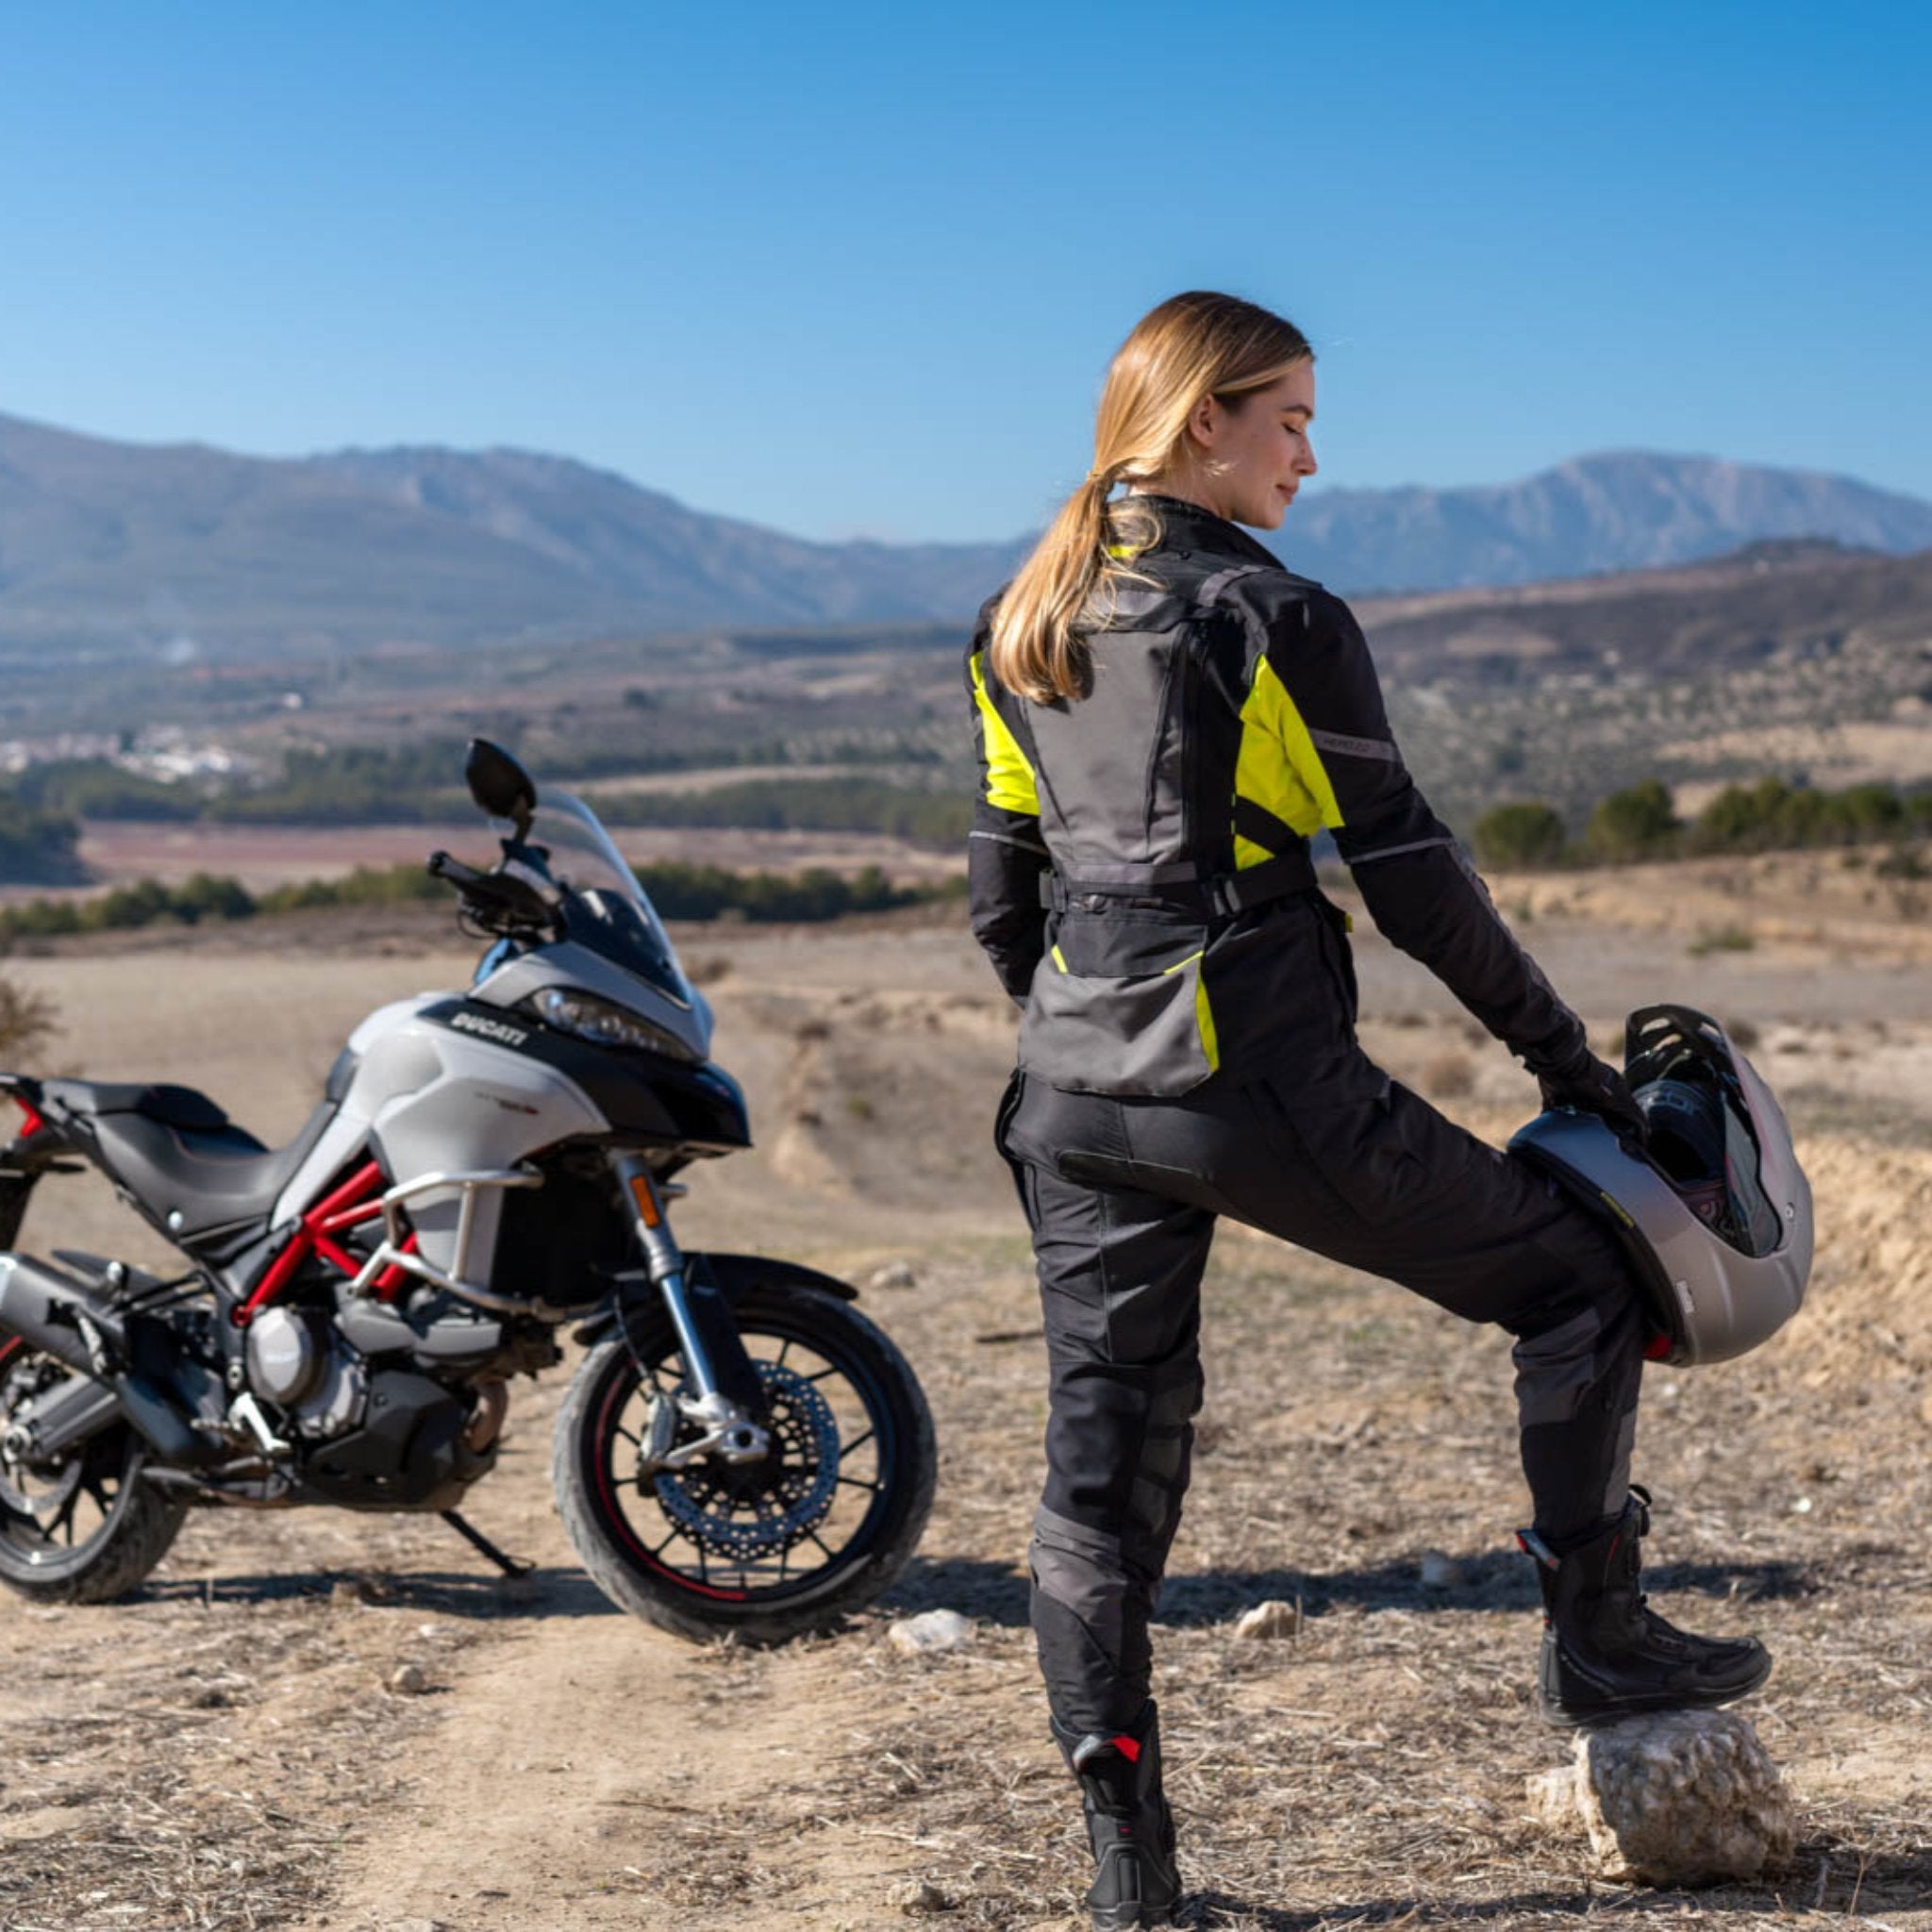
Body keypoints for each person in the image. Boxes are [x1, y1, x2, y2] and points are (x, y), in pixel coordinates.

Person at [966, 291, 1771, 1931]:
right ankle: (1600, 1640)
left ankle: (1134, 1872)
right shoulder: (1274, 617)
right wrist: (1570, 1066)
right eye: (1291, 421)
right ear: (1206, 424)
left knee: (1100, 1479)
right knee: (1577, 1280)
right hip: (1248, 1082)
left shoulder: (1017, 622)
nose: (1311, 457)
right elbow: (1418, 892)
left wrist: (1089, 1045)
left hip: (1067, 1096)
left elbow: (1003, 904)